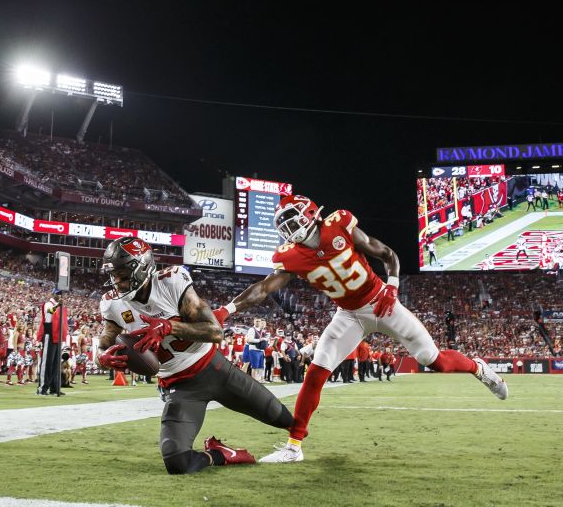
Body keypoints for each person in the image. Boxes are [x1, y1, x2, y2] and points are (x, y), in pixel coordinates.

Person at [215, 194, 508, 463]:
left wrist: (393, 288)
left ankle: (477, 368)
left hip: (382, 302)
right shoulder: (289, 256)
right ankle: (293, 447)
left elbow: (387, 254)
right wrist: (226, 310)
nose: (289, 230)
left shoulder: (339, 225)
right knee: (316, 372)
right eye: (284, 225)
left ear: (311, 215)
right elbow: (264, 288)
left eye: (292, 220)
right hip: (349, 315)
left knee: (434, 360)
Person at [95, 236, 293, 474]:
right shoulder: (112, 304)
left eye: (123, 275)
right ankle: (221, 454)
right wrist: (101, 355)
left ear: (143, 268)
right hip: (179, 387)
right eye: (113, 275)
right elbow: (106, 340)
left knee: (283, 418)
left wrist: (169, 327)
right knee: (176, 461)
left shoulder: (171, 282)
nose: (116, 282)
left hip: (216, 370)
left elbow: (215, 332)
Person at [37, 291, 68, 396]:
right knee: (47, 363)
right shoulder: (48, 304)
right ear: (53, 294)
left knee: (56, 364)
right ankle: (42, 388)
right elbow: (50, 312)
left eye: (61, 294)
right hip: (49, 334)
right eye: (58, 294)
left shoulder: (61, 306)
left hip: (57, 335)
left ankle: (54, 387)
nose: (60, 296)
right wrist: (59, 305)